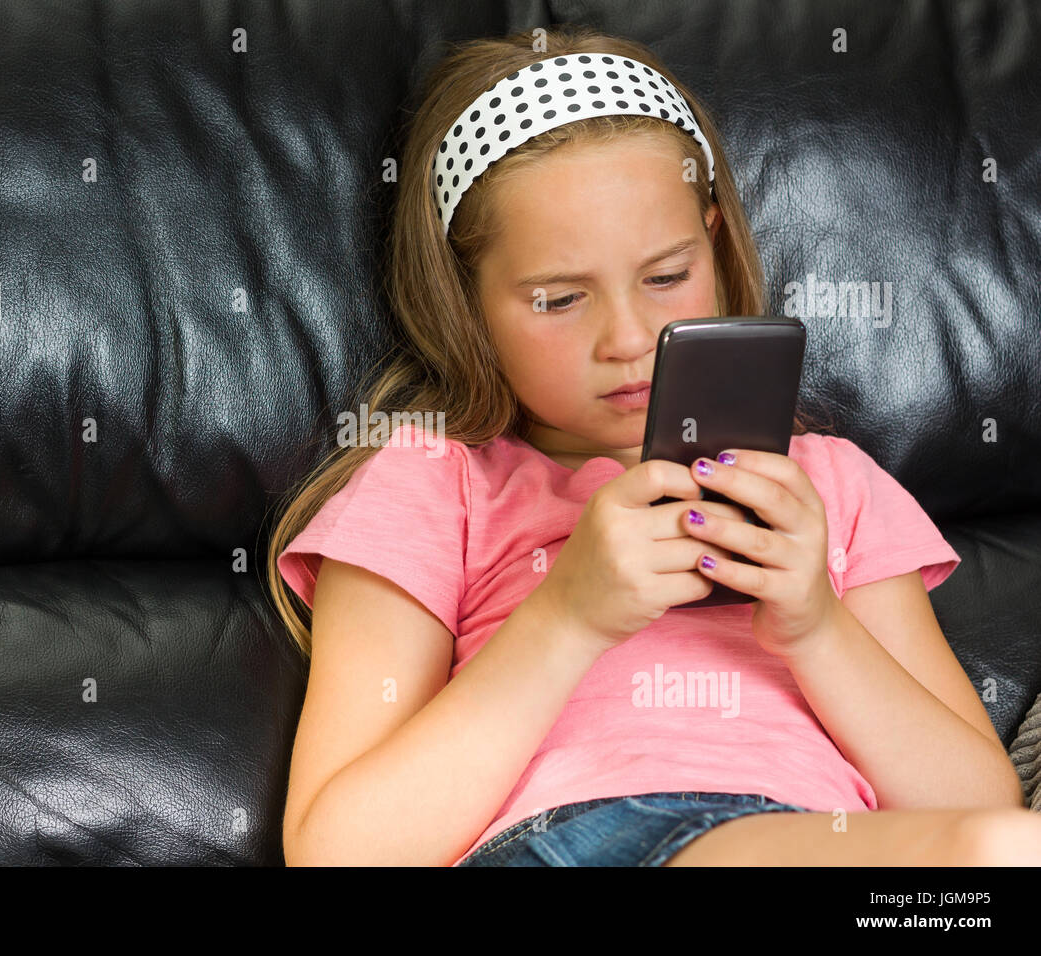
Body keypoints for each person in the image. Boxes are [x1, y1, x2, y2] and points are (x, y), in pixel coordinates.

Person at [266, 25, 1036, 867]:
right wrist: (566, 615)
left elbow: (976, 798)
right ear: (467, 304)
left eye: (666, 276)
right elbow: (339, 852)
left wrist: (817, 627)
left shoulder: (829, 483)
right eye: (560, 299)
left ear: (714, 240)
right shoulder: (431, 484)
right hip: (577, 842)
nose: (629, 338)